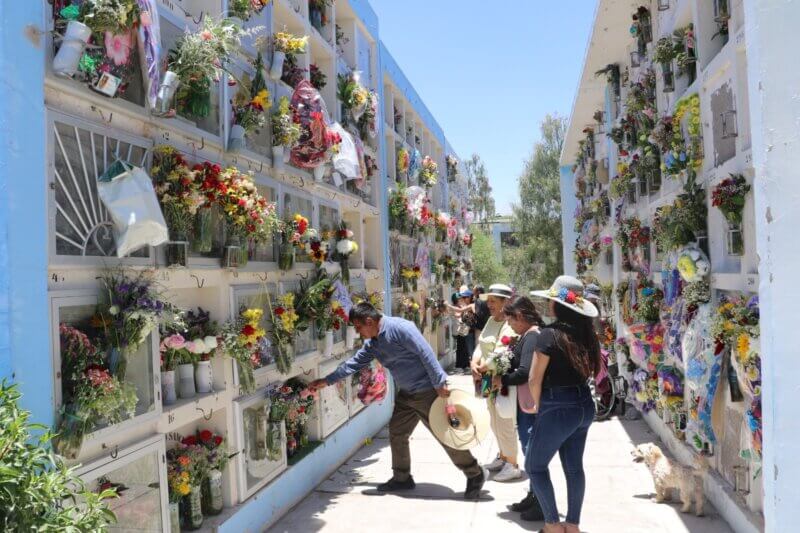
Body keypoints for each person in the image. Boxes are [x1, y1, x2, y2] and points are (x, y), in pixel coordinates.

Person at [309, 302, 487, 499]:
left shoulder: (400, 328)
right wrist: (327, 380)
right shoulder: (374, 343)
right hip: (407, 394)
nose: (358, 332)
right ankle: (402, 478)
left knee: (444, 435)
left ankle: (475, 473)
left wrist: (439, 381)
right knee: (397, 432)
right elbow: (354, 363)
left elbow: (425, 352)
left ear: (369, 321)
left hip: (426, 391)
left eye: (359, 327)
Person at [527, 276, 600, 533]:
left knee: (534, 466)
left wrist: (535, 407)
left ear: (559, 305)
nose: (548, 305)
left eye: (551, 301)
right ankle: (573, 524)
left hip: (558, 406)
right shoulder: (586, 334)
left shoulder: (548, 335)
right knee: (573, 468)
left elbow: (534, 378)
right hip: (584, 404)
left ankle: (552, 525)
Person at [499, 296, 545, 521]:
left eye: (511, 320)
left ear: (520, 316)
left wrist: (502, 380)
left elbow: (524, 373)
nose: (509, 325)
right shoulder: (529, 335)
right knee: (529, 452)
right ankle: (533, 495)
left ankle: (540, 502)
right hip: (527, 404)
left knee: (532, 454)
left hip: (530, 405)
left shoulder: (532, 337)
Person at [469, 283, 521, 482]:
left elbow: (501, 353)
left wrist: (481, 369)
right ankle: (503, 456)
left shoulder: (510, 324)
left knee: (504, 419)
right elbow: (481, 345)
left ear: (505, 302)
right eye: (488, 301)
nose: (488, 304)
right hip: (485, 378)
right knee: (492, 416)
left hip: (501, 379)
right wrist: (474, 361)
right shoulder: (491, 320)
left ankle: (513, 464)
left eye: (493, 301)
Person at [446, 286, 477, 374]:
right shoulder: (461, 306)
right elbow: (458, 314)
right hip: (461, 331)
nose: (462, 299)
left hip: (466, 331)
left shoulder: (468, 306)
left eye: (463, 297)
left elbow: (460, 313)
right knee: (462, 348)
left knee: (467, 349)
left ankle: (467, 366)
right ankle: (462, 365)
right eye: (460, 298)